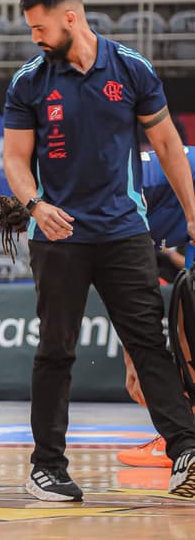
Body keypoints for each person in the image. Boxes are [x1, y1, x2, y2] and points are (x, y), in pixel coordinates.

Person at [2, 0, 195, 502]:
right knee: (55, 351)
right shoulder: (29, 82)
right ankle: (47, 469)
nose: (35, 37)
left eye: (40, 27)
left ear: (71, 18)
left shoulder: (131, 68)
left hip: (125, 232)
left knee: (148, 346)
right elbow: (16, 161)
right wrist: (35, 206)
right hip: (59, 237)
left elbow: (169, 146)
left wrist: (193, 214)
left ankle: (187, 453)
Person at [117, 145, 195, 468]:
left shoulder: (106, 205)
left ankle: (184, 433)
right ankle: (185, 431)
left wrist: (133, 359)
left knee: (188, 326)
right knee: (184, 322)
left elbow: (131, 290)